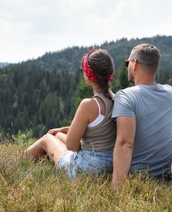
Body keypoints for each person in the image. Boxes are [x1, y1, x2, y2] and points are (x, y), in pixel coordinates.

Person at [25, 49, 116, 179]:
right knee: (57, 134)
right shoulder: (114, 99)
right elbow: (97, 128)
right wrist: (63, 130)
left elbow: (72, 146)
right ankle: (42, 161)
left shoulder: (89, 104)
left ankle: (19, 162)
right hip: (108, 165)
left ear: (89, 76)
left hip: (85, 170)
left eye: (82, 71)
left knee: (46, 139)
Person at [111, 43, 172, 186]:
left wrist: (116, 189)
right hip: (169, 174)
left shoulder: (125, 96)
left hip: (141, 177)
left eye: (127, 63)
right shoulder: (171, 92)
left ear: (134, 64)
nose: (127, 66)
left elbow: (125, 143)